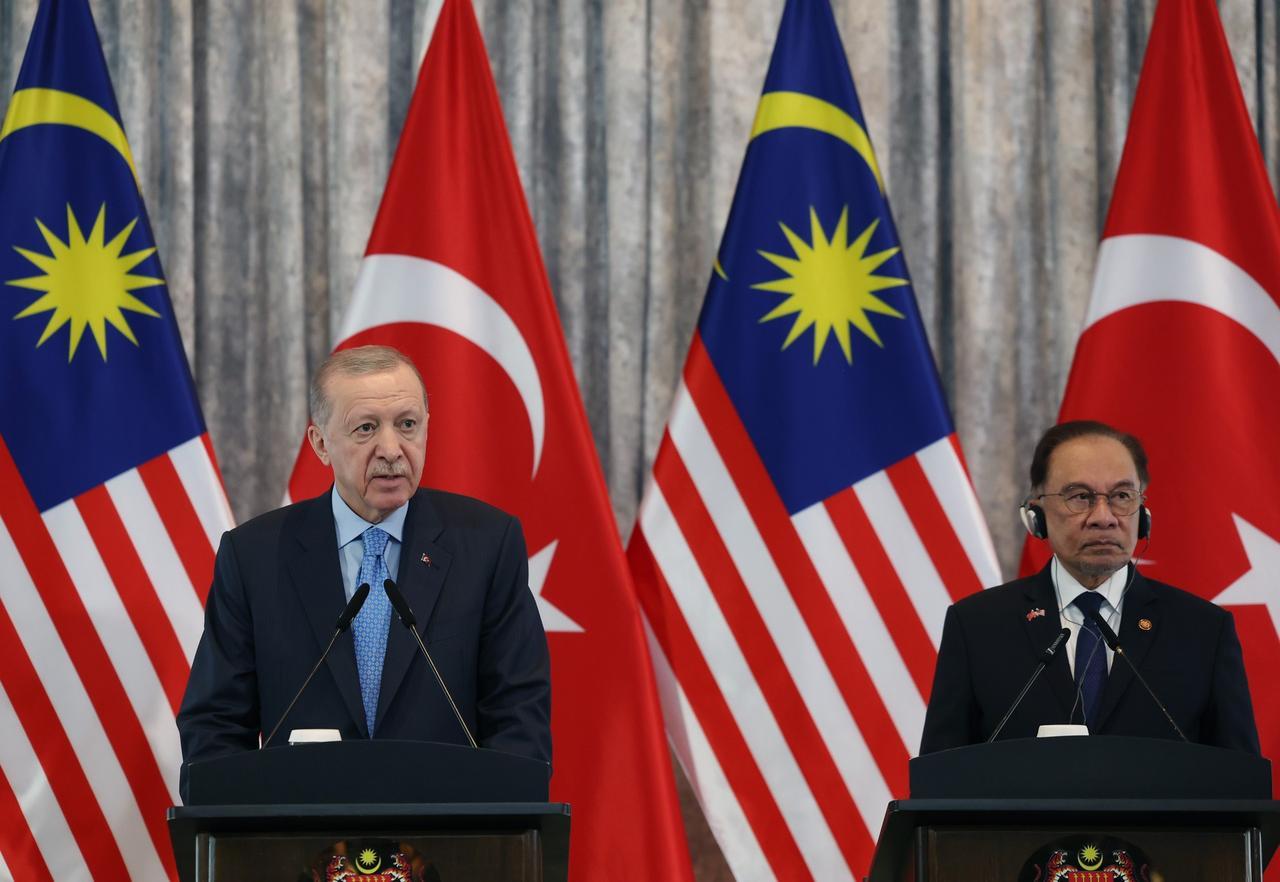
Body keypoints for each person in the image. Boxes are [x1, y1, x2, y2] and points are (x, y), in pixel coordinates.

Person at [177, 345, 551, 792]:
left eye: (407, 425)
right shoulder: (254, 556)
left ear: (428, 429)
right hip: (299, 841)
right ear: (320, 443)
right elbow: (215, 725)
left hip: (448, 837)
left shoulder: (488, 546)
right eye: (366, 428)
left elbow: (518, 716)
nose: (391, 449)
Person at [919, 420, 1258, 754]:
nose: (1103, 517)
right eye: (1080, 497)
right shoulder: (978, 625)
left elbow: (1242, 786)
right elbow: (939, 782)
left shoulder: (1203, 630)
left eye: (1122, 496)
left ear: (1143, 513)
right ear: (1036, 514)